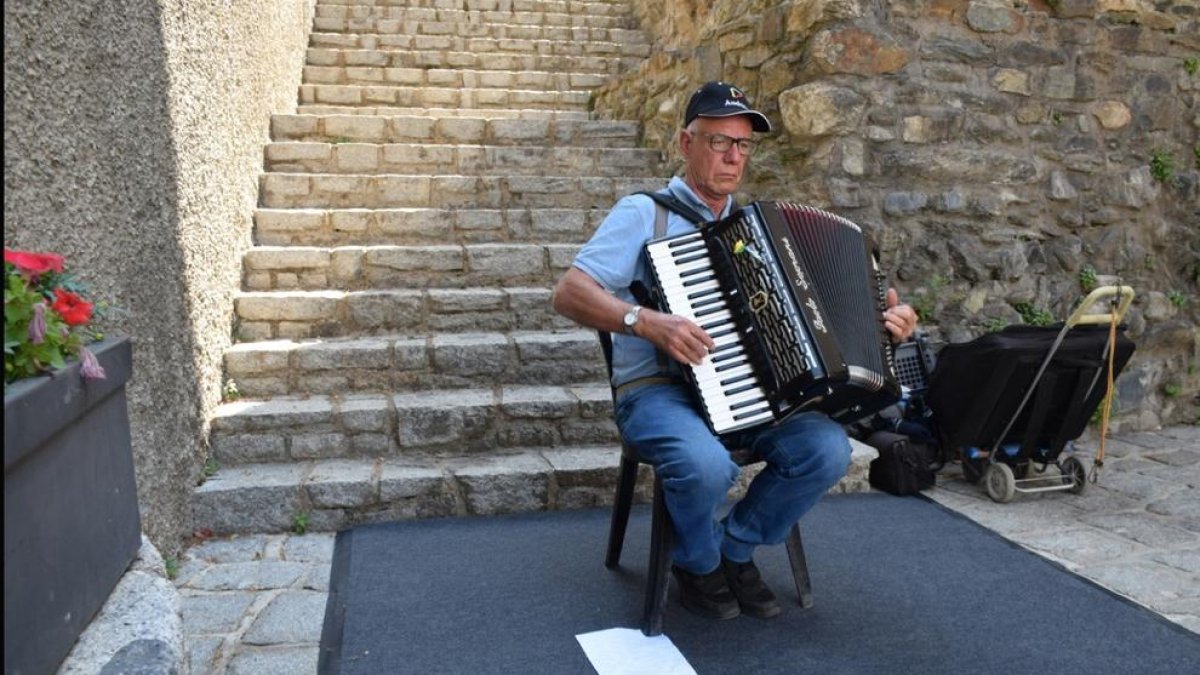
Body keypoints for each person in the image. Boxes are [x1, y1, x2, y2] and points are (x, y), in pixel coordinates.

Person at [552, 81, 919, 620]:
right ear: (685, 143)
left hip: (752, 392)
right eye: (719, 141)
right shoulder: (643, 214)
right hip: (660, 393)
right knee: (704, 466)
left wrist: (886, 322)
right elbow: (569, 293)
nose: (732, 156)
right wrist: (646, 321)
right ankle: (697, 565)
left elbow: (818, 323)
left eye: (743, 145)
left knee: (827, 450)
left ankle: (735, 548)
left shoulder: (762, 233)